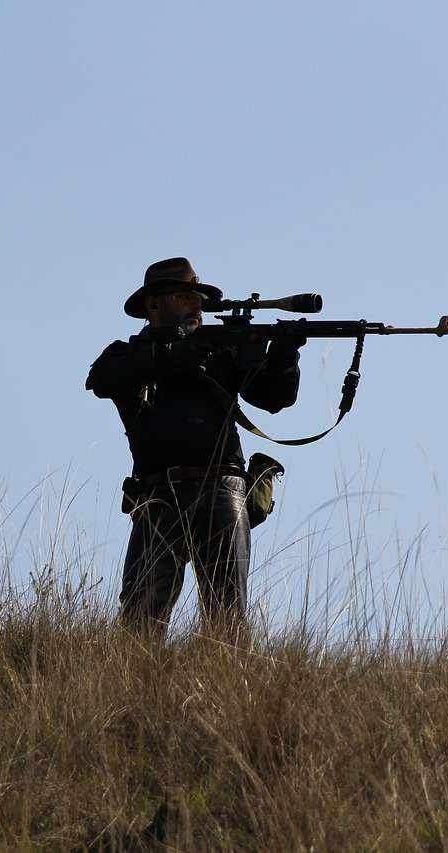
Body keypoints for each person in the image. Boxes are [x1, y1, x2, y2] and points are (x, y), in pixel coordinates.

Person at [86, 257, 305, 638]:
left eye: (200, 297)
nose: (197, 305)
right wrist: (171, 357)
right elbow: (101, 379)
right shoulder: (129, 354)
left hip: (223, 489)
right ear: (154, 304)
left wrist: (285, 356)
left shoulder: (218, 351)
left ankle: (231, 691)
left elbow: (273, 398)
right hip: (157, 494)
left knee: (227, 615)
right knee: (141, 616)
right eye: (187, 295)